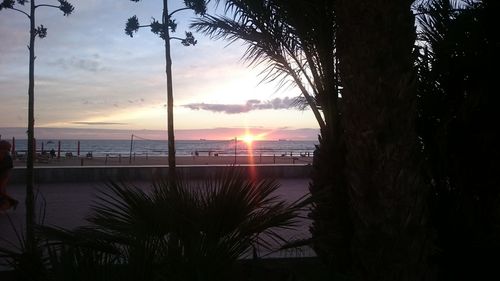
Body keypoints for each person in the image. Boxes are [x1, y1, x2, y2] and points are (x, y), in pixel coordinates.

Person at [0, 140, 18, 211]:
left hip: (4, 175)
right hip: (4, 174)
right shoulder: (5, 154)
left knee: (1, 190)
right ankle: (6, 204)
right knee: (2, 191)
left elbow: (7, 168)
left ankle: (12, 202)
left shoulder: (6, 155)